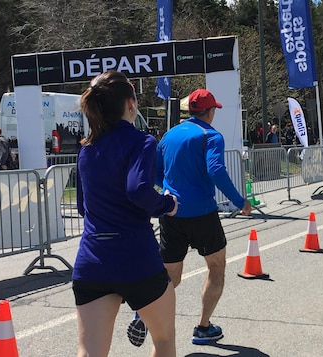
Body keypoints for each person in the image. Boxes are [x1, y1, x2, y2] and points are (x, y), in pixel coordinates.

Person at [72, 70, 178, 357]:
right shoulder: (141, 141)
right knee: (165, 340)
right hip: (135, 258)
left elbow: (83, 206)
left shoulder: (86, 148)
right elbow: (137, 189)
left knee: (90, 351)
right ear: (131, 104)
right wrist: (167, 205)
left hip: (92, 260)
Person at [149, 88, 252, 345]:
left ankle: (145, 314)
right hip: (202, 213)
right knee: (216, 267)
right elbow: (216, 170)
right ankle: (203, 327)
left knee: (171, 275)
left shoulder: (169, 134)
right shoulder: (211, 135)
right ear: (210, 111)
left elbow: (156, 174)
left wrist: (170, 190)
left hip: (171, 211)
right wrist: (240, 202)